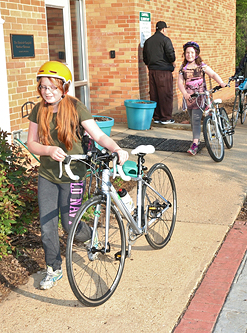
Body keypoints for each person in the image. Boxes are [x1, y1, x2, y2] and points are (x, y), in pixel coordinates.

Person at [26, 61, 129, 290]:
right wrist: (48, 150)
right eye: (43, 87)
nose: (47, 92)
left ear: (64, 87)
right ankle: (53, 268)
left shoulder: (75, 107)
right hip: (48, 175)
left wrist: (117, 149)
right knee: (47, 227)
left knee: (70, 224)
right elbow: (31, 143)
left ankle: (90, 234)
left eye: (53, 87)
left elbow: (99, 135)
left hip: (73, 174)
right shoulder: (38, 109)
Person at [177, 41, 226, 155]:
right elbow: (180, 82)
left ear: (196, 54)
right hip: (189, 98)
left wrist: (221, 83)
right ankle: (197, 138)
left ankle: (195, 144)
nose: (190, 55)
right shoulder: (183, 67)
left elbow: (213, 74)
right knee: (193, 121)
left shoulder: (201, 66)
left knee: (196, 119)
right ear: (184, 54)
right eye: (187, 53)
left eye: (192, 52)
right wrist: (184, 93)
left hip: (200, 97)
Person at [143, 21, 176, 124]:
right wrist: (172, 62)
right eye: (166, 29)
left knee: (154, 94)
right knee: (165, 94)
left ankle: (156, 117)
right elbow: (171, 55)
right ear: (163, 29)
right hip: (164, 71)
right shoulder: (165, 40)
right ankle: (166, 117)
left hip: (152, 71)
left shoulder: (148, 41)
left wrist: (151, 65)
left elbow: (145, 58)